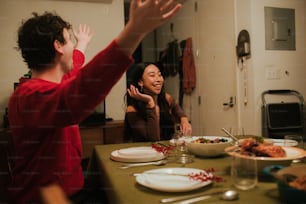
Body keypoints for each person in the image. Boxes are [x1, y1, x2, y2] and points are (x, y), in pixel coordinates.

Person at [8, 1, 182, 203]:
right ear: (58, 47)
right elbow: (78, 92)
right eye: (69, 40)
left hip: (68, 189)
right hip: (47, 198)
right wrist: (134, 31)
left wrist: (81, 44)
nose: (73, 46)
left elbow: (75, 71)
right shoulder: (29, 96)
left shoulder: (53, 84)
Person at [124, 62, 192, 142]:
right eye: (152, 75)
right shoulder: (132, 109)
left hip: (166, 150)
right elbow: (154, 139)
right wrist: (150, 103)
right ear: (140, 82)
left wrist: (185, 121)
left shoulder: (166, 98)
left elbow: (179, 112)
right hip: (144, 152)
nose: (159, 79)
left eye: (159, 75)